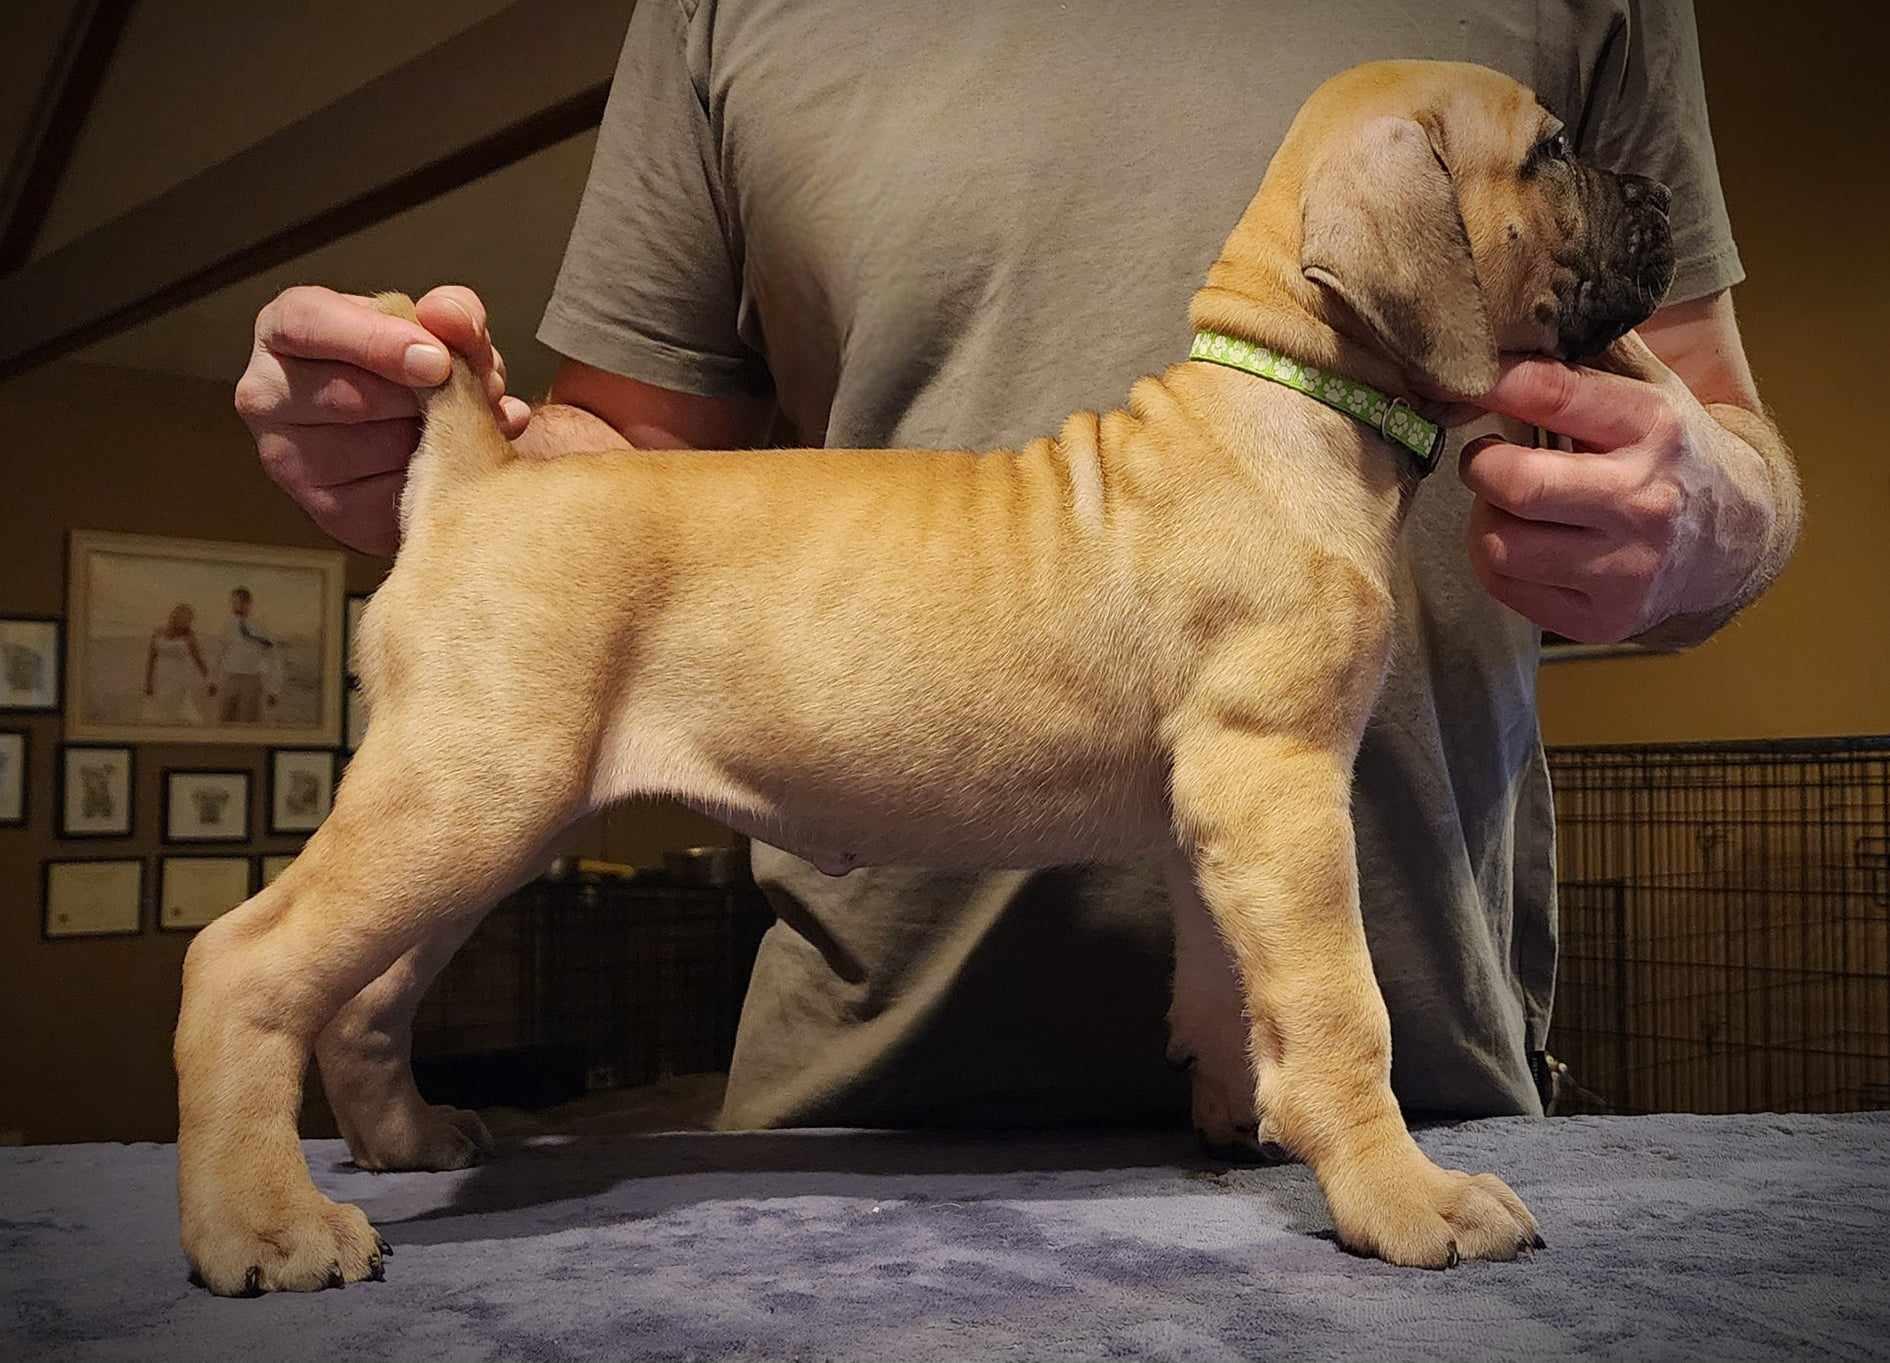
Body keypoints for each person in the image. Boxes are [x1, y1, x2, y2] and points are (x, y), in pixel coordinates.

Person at [237, 2, 1799, 1131]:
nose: (1570, 188)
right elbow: (630, 457)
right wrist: (465, 475)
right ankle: (265, 1033)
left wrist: (1716, 515)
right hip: (861, 1115)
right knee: (438, 835)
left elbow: (1711, 417)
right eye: (1545, 162)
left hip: (1438, 1082)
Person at [208, 587, 280, 723]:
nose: (235, 606)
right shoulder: (226, 626)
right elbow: (217, 654)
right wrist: (212, 680)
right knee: (224, 719)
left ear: (248, 603)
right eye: (233, 602)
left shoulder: (261, 627)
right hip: (229, 678)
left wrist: (273, 690)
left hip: (251, 679)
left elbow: (273, 658)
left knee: (247, 722)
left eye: (239, 602)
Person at [141, 602, 211, 724]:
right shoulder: (158, 633)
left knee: (182, 711)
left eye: (188, 619)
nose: (185, 621)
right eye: (182, 617)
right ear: (174, 616)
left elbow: (199, 661)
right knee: (158, 712)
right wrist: (148, 682)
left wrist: (209, 680)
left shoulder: (189, 637)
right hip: (161, 677)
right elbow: (151, 660)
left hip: (179, 678)